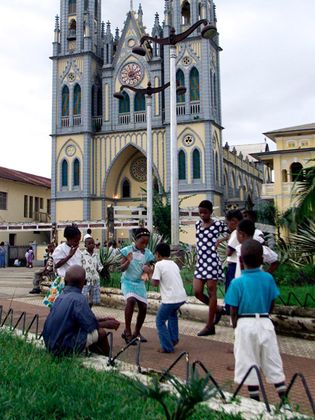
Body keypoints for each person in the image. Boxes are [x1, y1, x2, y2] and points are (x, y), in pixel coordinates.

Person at [225, 240, 287, 404]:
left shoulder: (237, 283)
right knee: (272, 359)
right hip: (265, 322)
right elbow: (272, 302)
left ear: (240, 261)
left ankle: (256, 401)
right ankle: (284, 398)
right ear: (262, 260)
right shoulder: (268, 278)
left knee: (247, 361)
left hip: (245, 323)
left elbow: (233, 309)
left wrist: (236, 326)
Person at [42, 265, 120, 356]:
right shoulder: (79, 299)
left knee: (91, 331)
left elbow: (82, 318)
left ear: (66, 281)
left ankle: (94, 354)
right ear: (85, 282)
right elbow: (90, 325)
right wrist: (108, 324)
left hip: (49, 343)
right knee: (100, 332)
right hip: (62, 347)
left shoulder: (60, 297)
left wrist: (102, 320)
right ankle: (108, 360)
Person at [193, 200, 228, 336]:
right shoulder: (197, 224)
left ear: (211, 212)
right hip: (201, 261)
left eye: (205, 212)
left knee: (212, 291)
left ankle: (210, 325)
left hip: (212, 261)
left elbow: (232, 231)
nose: (202, 215)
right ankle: (217, 309)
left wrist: (221, 240)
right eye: (200, 212)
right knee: (197, 292)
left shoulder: (218, 224)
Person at [120, 228, 154, 344]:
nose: (144, 245)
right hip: (128, 282)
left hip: (139, 283)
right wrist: (128, 261)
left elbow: (147, 271)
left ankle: (137, 332)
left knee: (143, 307)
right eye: (142, 242)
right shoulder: (126, 250)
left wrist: (146, 272)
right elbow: (121, 268)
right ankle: (127, 331)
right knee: (130, 301)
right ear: (135, 240)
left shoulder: (148, 253)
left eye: (146, 243)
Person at [152, 243, 187, 353]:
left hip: (170, 299)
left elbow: (155, 283)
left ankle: (167, 346)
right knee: (172, 315)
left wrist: (149, 272)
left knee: (160, 321)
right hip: (181, 296)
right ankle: (173, 338)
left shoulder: (159, 265)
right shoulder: (174, 264)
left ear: (157, 254)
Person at [43, 225, 82, 308]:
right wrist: (69, 256)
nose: (77, 243)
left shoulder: (77, 250)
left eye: (79, 241)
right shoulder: (60, 249)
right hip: (64, 282)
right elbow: (56, 265)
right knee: (60, 305)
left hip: (76, 282)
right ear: (68, 239)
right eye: (75, 241)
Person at [224, 210, 244, 315]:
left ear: (234, 221)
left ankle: (230, 311)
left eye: (228, 223)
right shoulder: (240, 232)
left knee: (231, 290)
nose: (227, 226)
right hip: (237, 264)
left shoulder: (236, 233)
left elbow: (228, 252)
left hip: (233, 265)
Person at [81, 237, 103, 307]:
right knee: (84, 297)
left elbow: (99, 266)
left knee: (92, 299)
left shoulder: (96, 254)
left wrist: (100, 272)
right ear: (85, 245)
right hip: (85, 280)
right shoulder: (82, 255)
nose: (91, 245)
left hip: (95, 279)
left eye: (92, 243)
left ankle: (89, 311)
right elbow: (80, 266)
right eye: (89, 243)